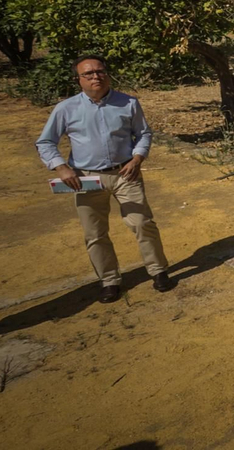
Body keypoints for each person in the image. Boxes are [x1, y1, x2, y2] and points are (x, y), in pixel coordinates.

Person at [35, 54, 173, 303]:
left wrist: (137, 158)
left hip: (125, 173)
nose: (95, 77)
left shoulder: (128, 103)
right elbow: (45, 142)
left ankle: (158, 271)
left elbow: (143, 133)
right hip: (85, 178)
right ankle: (109, 281)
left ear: (107, 74)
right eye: (88, 74)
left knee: (142, 223)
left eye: (100, 71)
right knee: (95, 233)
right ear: (78, 79)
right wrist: (61, 168)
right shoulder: (66, 108)